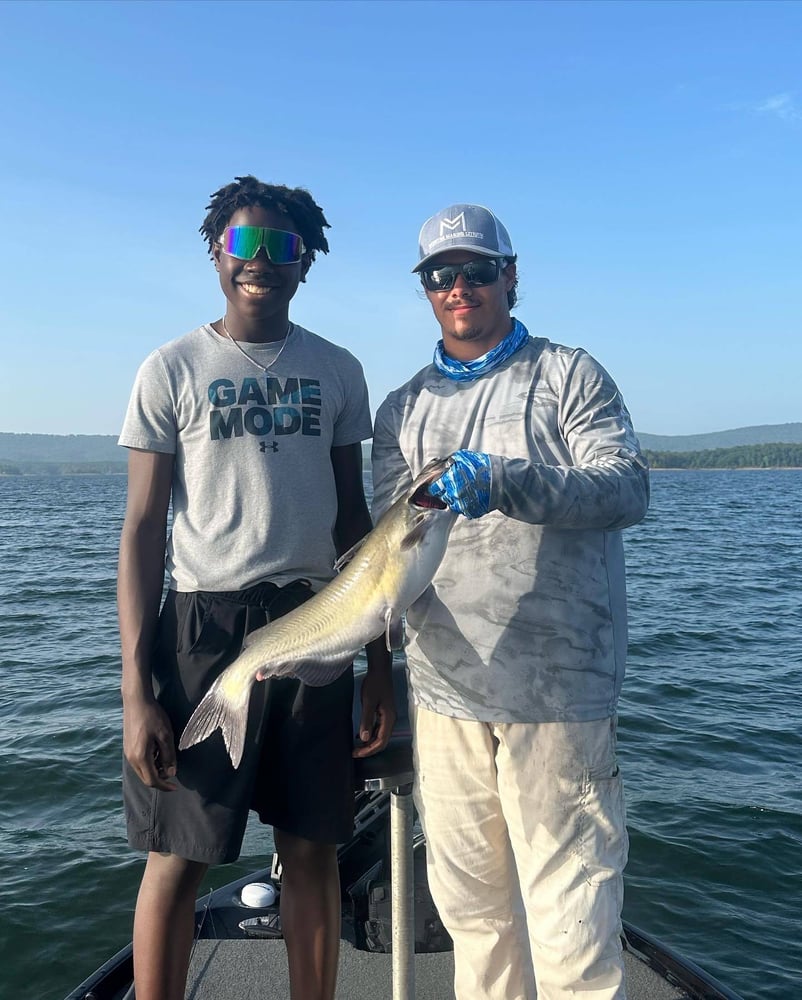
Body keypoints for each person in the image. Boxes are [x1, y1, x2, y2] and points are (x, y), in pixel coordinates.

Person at [118, 174, 395, 1000]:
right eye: (245, 243)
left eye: (283, 246)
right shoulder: (170, 369)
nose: (262, 261)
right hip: (203, 625)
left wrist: (377, 663)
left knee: (311, 848)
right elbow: (141, 530)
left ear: (305, 262)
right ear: (216, 253)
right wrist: (137, 691)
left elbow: (358, 525)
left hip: (319, 616)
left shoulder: (338, 370)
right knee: (180, 852)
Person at [371, 204, 650, 1000]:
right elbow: (388, 562)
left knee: (573, 929)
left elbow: (626, 488)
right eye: (440, 275)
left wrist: (504, 481)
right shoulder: (401, 410)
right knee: (476, 924)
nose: (459, 287)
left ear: (511, 275)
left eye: (477, 270)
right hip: (446, 696)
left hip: (559, 695)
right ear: (425, 290)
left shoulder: (570, 375)